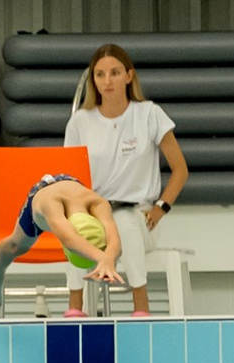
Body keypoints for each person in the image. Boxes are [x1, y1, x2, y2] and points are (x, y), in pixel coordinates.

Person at [62, 44, 188, 317]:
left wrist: (161, 207)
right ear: (93, 80)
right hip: (95, 213)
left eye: (115, 73)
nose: (107, 81)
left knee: (124, 220)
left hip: (140, 216)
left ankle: (140, 305)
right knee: (74, 227)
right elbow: (68, 180)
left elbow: (180, 169)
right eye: (100, 74)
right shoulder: (80, 122)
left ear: (129, 76)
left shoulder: (149, 114)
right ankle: (75, 307)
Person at [0, 172, 123, 315]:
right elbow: (69, 239)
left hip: (71, 184)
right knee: (15, 246)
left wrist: (109, 259)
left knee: (105, 251)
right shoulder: (51, 205)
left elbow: (114, 240)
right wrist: (102, 258)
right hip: (43, 195)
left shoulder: (98, 203)